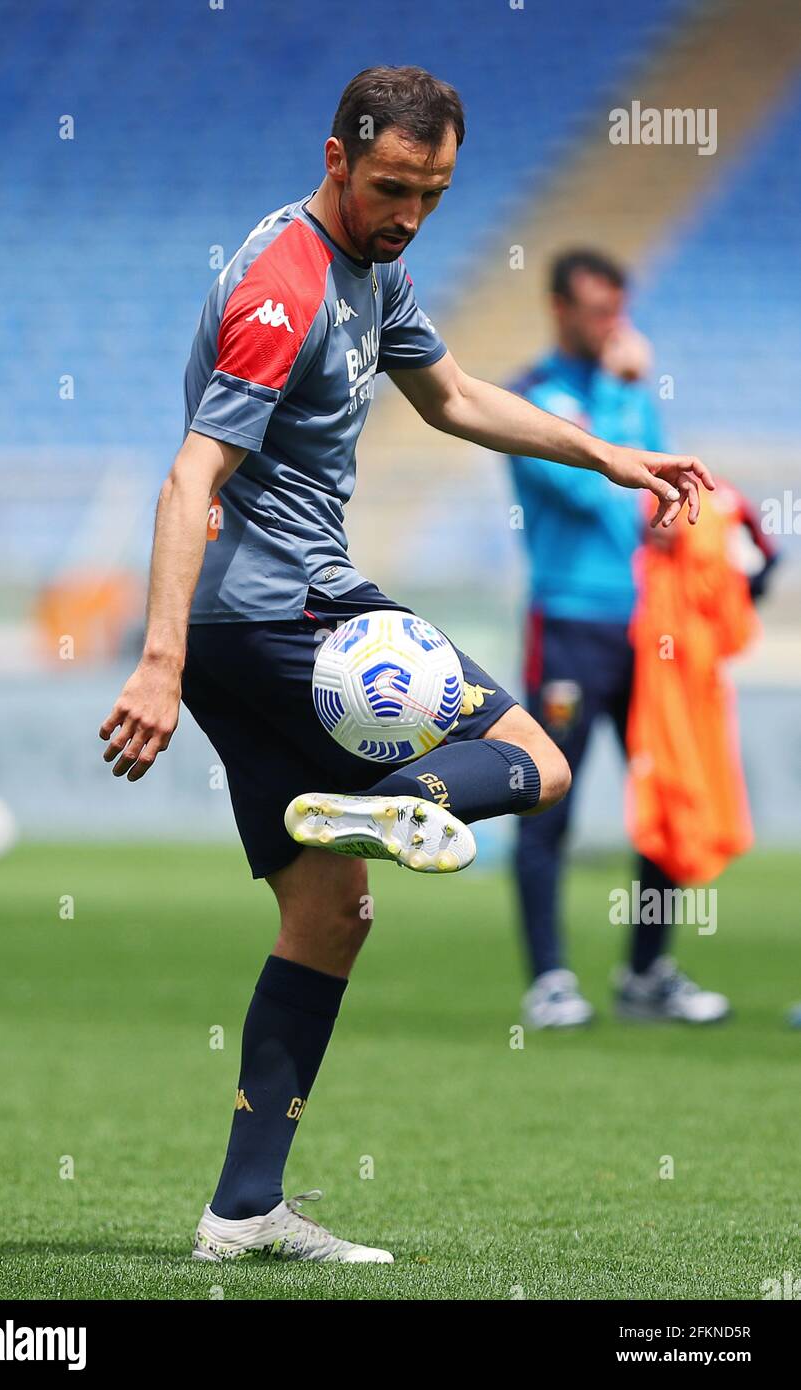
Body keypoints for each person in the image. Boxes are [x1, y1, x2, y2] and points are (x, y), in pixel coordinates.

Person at [99, 72, 710, 1264]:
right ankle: (394, 806)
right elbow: (189, 477)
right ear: (337, 155)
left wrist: (604, 454)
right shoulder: (283, 285)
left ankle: (242, 1210)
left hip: (244, 639)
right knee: (530, 760)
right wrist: (154, 663)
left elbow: (453, 395)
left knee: (327, 911)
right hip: (286, 618)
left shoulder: (372, 265)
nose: (408, 212)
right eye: (389, 187)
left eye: (430, 193)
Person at [508, 249, 730, 1029]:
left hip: (649, 628)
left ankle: (645, 973)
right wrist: (626, 388)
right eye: (597, 311)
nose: (611, 326)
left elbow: (659, 489)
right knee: (546, 797)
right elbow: (597, 481)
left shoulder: (614, 394)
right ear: (559, 308)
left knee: (664, 793)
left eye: (617, 310)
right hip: (569, 625)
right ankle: (551, 980)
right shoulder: (533, 396)